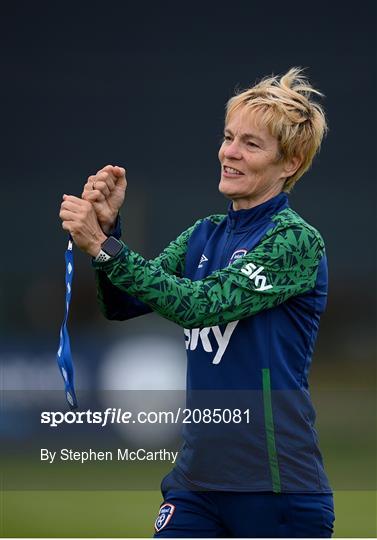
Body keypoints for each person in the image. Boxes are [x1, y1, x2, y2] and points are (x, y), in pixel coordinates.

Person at [59, 67, 335, 538]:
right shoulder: (205, 234)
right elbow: (122, 302)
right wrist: (109, 234)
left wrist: (105, 249)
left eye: (251, 144)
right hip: (194, 485)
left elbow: (199, 305)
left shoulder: (296, 242)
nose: (230, 152)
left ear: (289, 163)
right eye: (229, 137)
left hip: (276, 488)